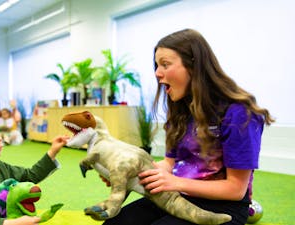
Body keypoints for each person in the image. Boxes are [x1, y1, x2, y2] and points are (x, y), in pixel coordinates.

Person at [103, 28, 274, 225]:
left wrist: (176, 182)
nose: (157, 73)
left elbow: (236, 189)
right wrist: (128, 173)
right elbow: (169, 164)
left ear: (194, 66)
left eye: (165, 65)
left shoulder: (239, 114)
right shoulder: (182, 111)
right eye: (157, 65)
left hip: (222, 208)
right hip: (177, 197)